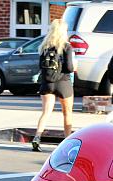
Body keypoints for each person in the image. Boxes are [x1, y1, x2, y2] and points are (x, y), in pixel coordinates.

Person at [32, 19, 75, 151]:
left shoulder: (44, 46)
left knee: (46, 112)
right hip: (63, 83)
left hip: (47, 84)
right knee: (67, 113)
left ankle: (37, 137)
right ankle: (67, 142)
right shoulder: (66, 46)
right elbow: (69, 67)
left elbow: (41, 66)